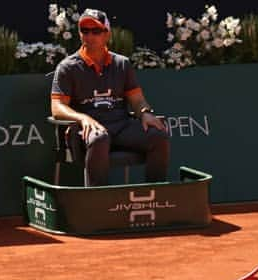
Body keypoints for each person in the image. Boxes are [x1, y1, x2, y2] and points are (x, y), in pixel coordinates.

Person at [49, 8, 169, 186]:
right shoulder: (67, 67)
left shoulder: (122, 64)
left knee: (159, 135)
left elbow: (137, 100)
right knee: (99, 138)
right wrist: (82, 118)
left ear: (107, 35)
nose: (89, 36)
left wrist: (145, 112)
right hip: (88, 131)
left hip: (121, 126)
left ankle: (156, 197)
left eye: (96, 31)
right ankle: (96, 205)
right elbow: (57, 107)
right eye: (85, 31)